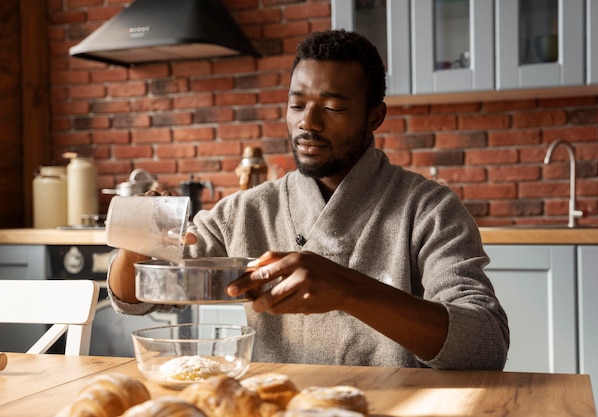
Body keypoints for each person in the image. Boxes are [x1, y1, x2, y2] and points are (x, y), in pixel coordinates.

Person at [108, 29, 509, 370]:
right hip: (279, 405)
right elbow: (136, 299)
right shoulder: (246, 210)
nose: (308, 123)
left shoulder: (428, 208)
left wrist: (349, 289)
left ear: (375, 116)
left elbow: (485, 343)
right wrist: (136, 245)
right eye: (297, 105)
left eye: (332, 107)